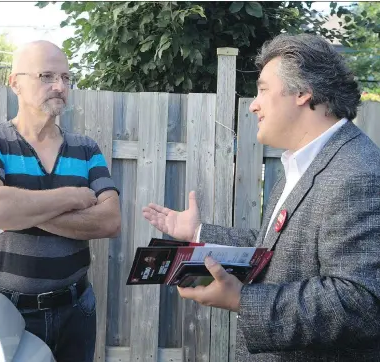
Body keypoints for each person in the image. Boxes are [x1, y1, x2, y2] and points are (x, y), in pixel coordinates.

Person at [143, 34, 380, 361]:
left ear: (303, 92)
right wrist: (198, 234)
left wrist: (243, 299)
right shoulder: (302, 163)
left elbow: (360, 302)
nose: (254, 103)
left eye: (263, 90)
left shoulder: (358, 173)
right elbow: (274, 247)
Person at [0, 40, 121, 362]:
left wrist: (17, 208)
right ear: (14, 82)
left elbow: (109, 221)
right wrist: (71, 197)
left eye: (66, 78)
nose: (59, 86)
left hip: (76, 309)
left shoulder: (85, 148)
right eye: (46, 76)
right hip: (3, 312)